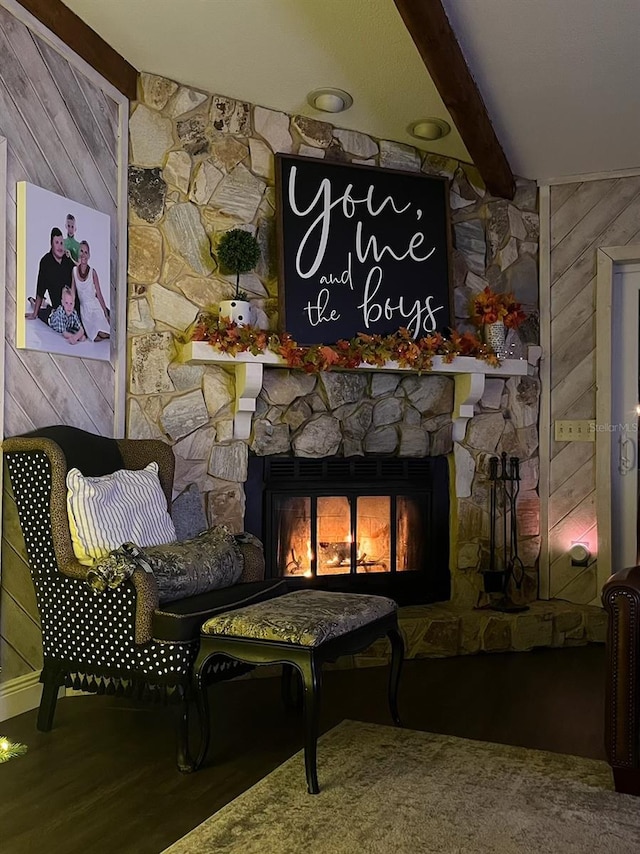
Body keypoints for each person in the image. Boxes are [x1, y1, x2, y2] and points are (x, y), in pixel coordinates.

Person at [26, 227, 75, 324]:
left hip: (71, 304)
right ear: (51, 244)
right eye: (56, 243)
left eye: (61, 243)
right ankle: (34, 303)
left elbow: (79, 275)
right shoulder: (46, 262)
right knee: (45, 313)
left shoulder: (67, 259)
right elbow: (40, 288)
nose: (60, 247)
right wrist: (34, 313)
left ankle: (43, 303)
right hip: (58, 308)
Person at [72, 240, 110, 342]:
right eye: (81, 251)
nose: (83, 254)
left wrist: (105, 314)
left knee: (103, 332)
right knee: (95, 338)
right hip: (85, 310)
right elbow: (73, 292)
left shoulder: (93, 272)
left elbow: (99, 294)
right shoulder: (74, 271)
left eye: (86, 252)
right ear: (78, 252)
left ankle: (107, 328)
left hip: (95, 307)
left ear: (89, 255)